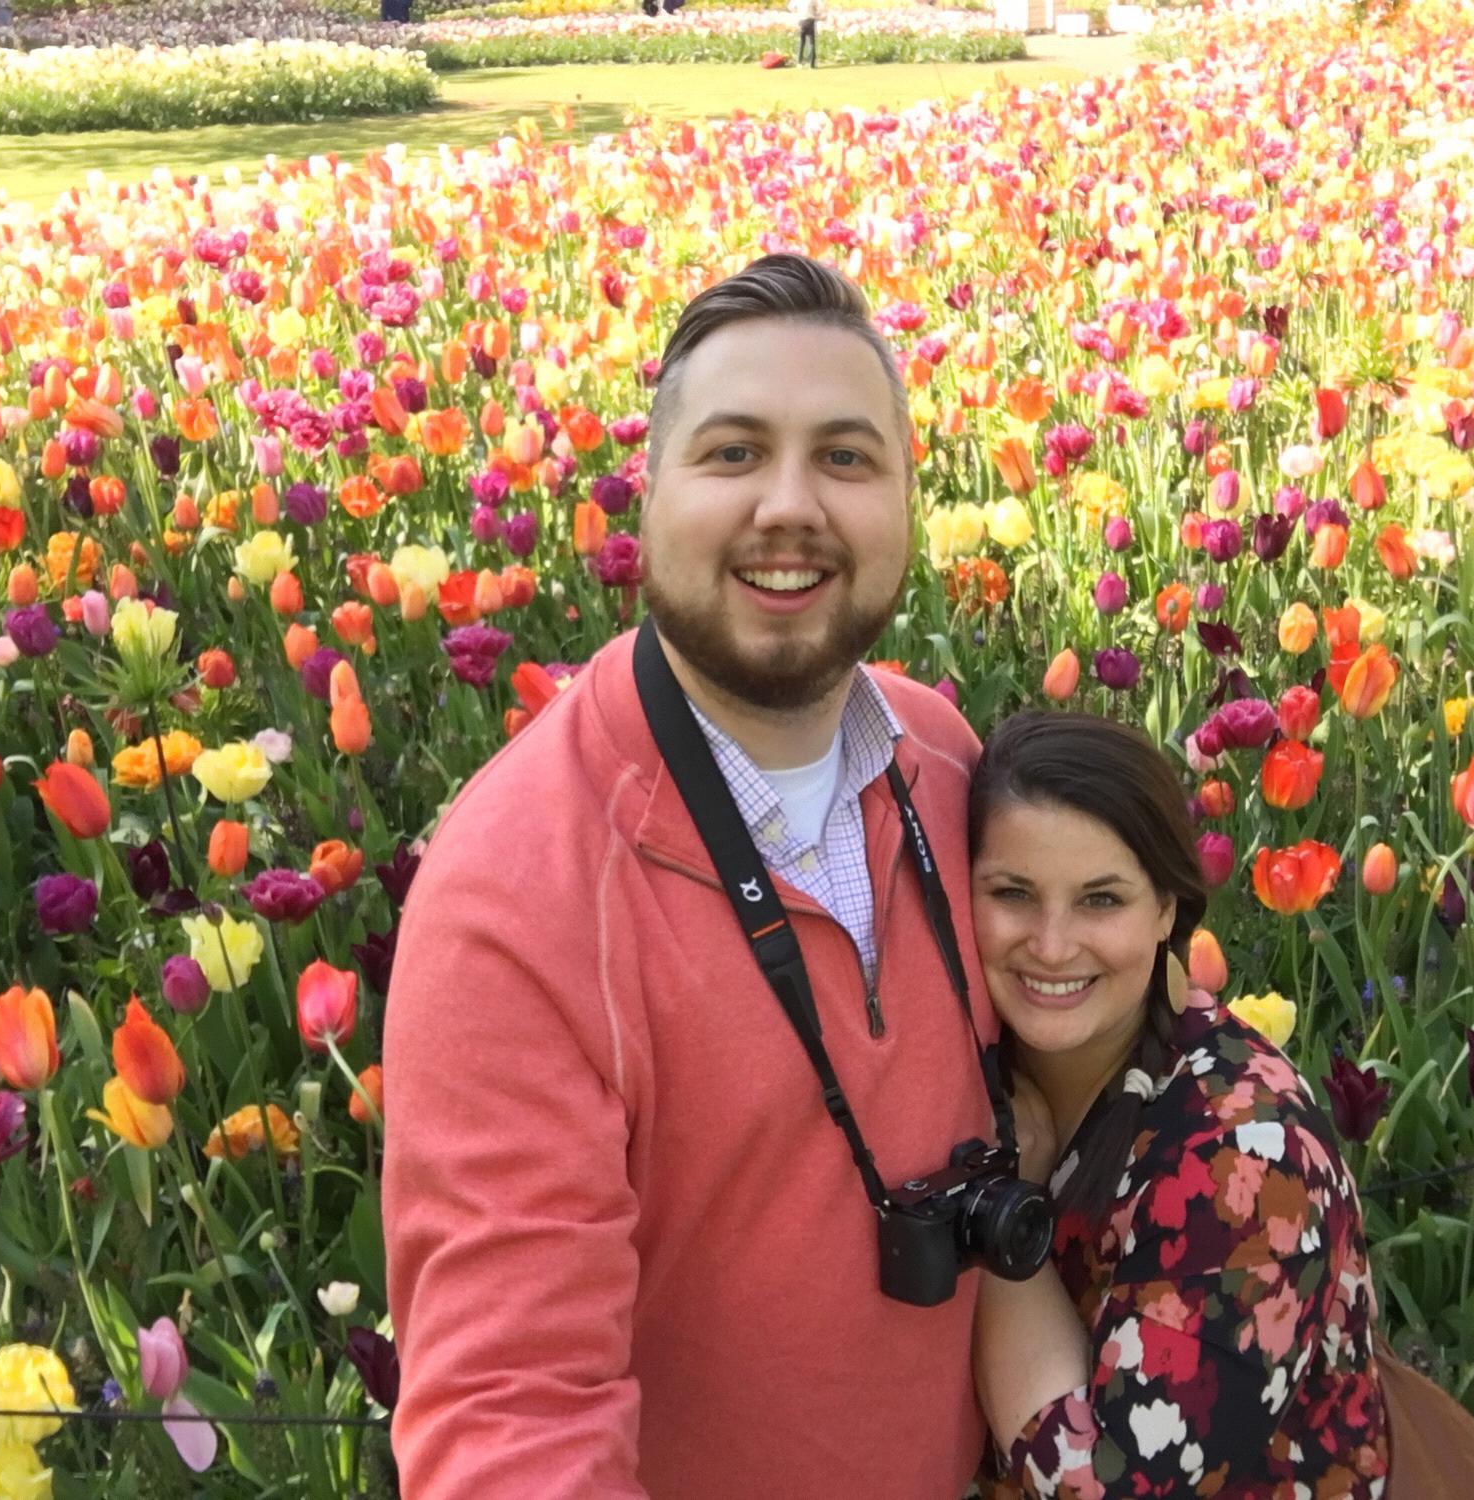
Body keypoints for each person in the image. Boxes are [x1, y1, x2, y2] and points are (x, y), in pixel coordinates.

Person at [383, 255, 1006, 1498]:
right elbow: (508, 1421)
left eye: (845, 457)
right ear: (647, 496)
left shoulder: (943, 761)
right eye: (731, 454)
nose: (790, 506)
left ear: (906, 501)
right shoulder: (519, 897)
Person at [965, 712, 1392, 1497]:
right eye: (1013, 893)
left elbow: (1109, 1488)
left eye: (1101, 900)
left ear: (1167, 908)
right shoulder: (961, 1066)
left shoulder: (1248, 1157)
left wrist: (999, 1216)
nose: (1053, 945)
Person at [790, 0, 820, 67]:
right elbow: (817, 7)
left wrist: (797, 12)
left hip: (802, 20)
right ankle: (812, 63)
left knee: (801, 42)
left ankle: (799, 62)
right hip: (810, 20)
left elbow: (791, 7)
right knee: (811, 42)